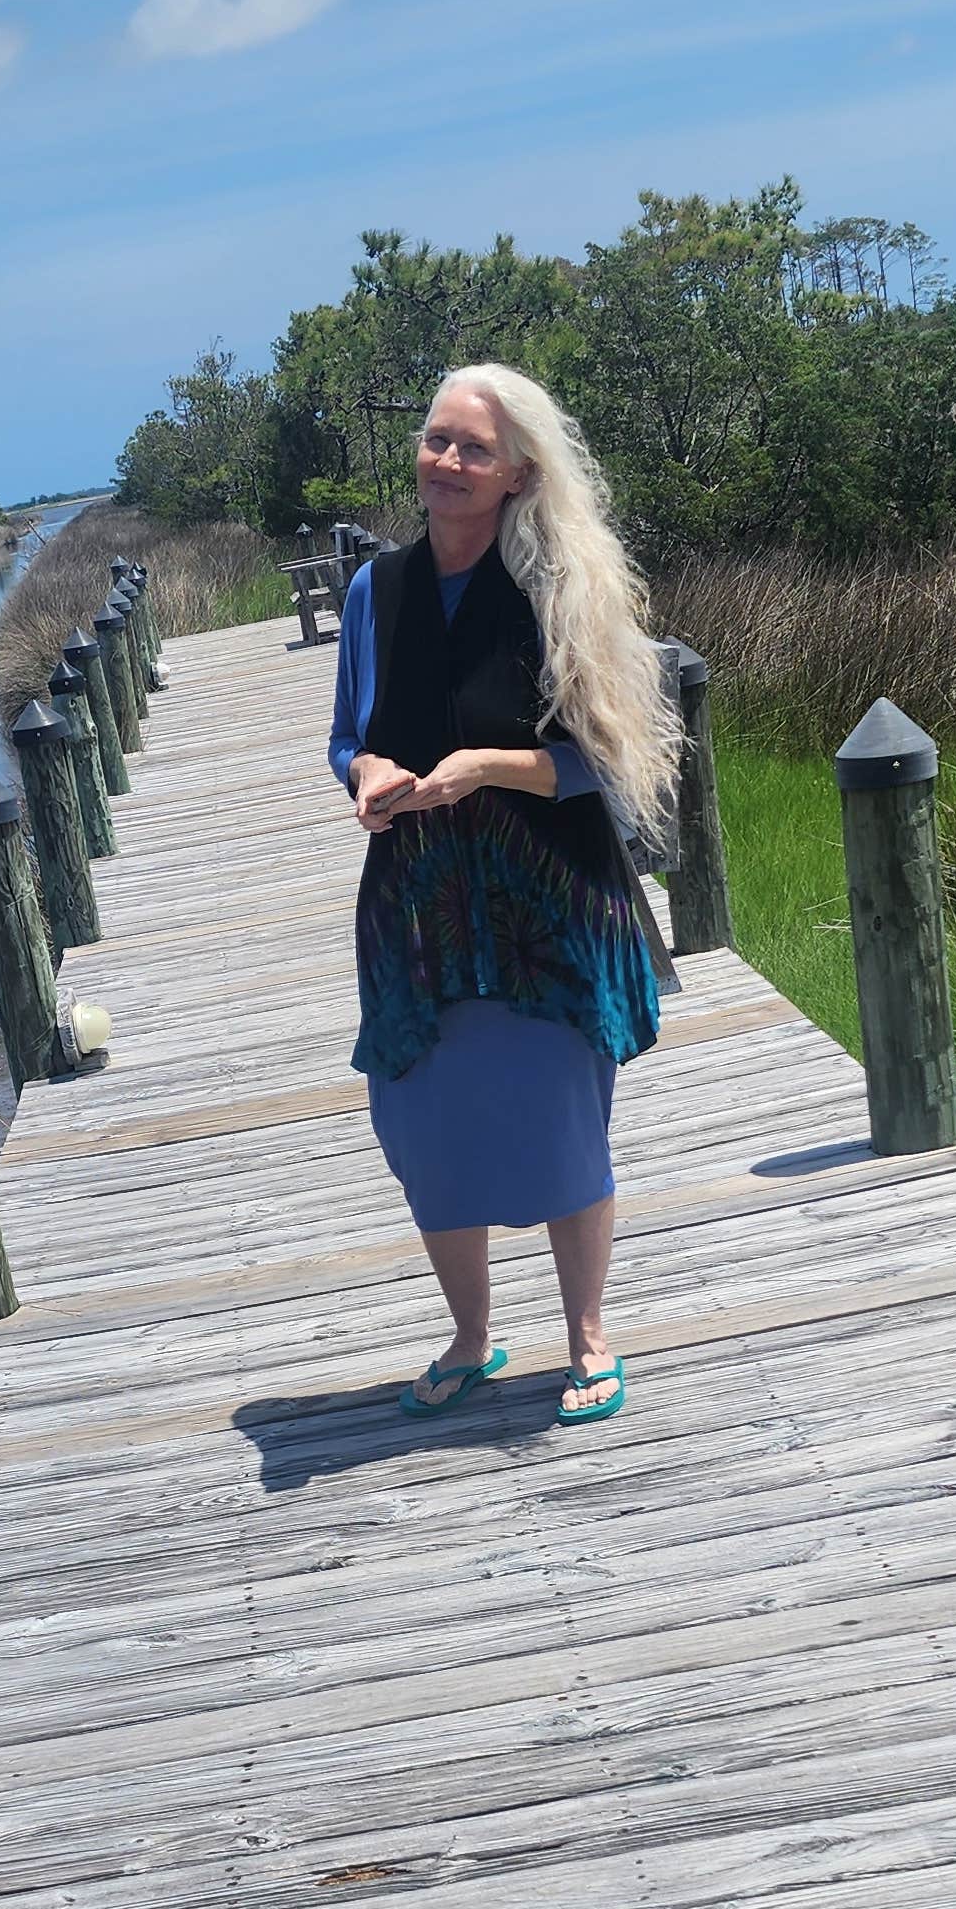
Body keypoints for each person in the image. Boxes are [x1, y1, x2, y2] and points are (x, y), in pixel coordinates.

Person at [328, 364, 679, 1427]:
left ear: (519, 468)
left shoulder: (561, 582)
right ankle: (472, 1339)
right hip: (418, 898)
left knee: (560, 1117)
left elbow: (601, 762)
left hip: (546, 895)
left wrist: (488, 766)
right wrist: (365, 779)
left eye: (471, 448)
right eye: (435, 440)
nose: (445, 461)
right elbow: (349, 734)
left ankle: (587, 1337)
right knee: (420, 1122)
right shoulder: (374, 591)